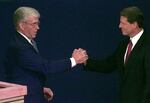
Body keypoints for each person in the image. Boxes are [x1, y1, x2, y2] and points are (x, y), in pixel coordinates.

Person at [4, 6, 88, 103]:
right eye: (34, 24)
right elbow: (46, 67)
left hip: (31, 95)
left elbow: (27, 72)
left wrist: (40, 89)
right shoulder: (19, 47)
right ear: (22, 25)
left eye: (38, 24)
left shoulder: (24, 42)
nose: (38, 28)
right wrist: (74, 60)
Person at [84, 6, 150, 103]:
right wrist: (86, 61)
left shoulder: (148, 45)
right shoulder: (123, 45)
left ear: (134, 24)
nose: (119, 26)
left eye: (123, 23)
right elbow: (108, 65)